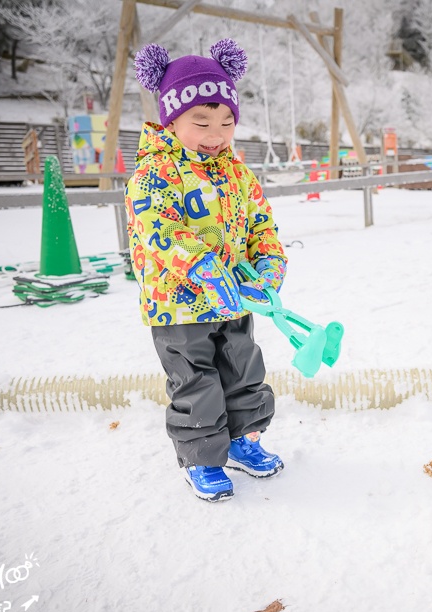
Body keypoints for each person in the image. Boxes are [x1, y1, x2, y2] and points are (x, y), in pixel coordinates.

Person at [125, 39, 287, 502]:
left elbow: (261, 223)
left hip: (235, 298)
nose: (216, 133)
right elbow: (162, 234)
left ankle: (243, 440)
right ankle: (201, 458)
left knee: (242, 369)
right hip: (178, 305)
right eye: (201, 122)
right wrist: (207, 270)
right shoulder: (154, 174)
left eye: (227, 121)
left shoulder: (237, 172)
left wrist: (268, 263)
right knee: (196, 382)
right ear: (171, 119)